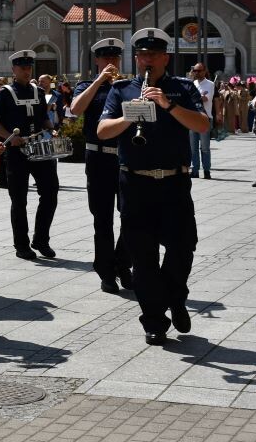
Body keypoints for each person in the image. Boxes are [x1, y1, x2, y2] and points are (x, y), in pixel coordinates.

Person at [97, 28, 209, 345]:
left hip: (174, 181)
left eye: (154, 55)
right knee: (142, 256)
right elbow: (103, 131)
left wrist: (168, 105)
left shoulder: (182, 88)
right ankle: (155, 321)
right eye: (143, 55)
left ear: (165, 58)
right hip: (135, 182)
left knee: (183, 247)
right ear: (137, 58)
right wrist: (129, 117)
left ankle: (175, 297)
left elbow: (203, 125)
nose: (148, 60)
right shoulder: (122, 89)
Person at [70, 38, 132, 294]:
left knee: (131, 216)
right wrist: (99, 81)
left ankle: (122, 263)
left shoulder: (127, 86)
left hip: (124, 157)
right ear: (97, 60)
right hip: (98, 157)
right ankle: (106, 271)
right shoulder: (86, 85)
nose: (111, 62)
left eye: (115, 58)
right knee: (102, 218)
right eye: (106, 58)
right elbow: (75, 109)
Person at [0, 50, 59, 261]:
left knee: (50, 193)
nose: (26, 71)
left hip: (39, 148)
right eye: (22, 67)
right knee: (19, 199)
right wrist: (9, 137)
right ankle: (21, 244)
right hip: (16, 152)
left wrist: (52, 129)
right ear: (13, 69)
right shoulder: (4, 93)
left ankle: (41, 239)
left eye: (29, 67)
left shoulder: (38, 91)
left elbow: (43, 118)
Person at [188, 63, 214, 179]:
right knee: (193, 147)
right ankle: (195, 170)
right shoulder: (192, 84)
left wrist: (195, 97)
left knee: (204, 147)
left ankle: (207, 170)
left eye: (199, 71)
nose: (196, 73)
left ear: (204, 71)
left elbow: (205, 98)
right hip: (192, 118)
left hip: (204, 118)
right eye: (195, 71)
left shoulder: (210, 84)